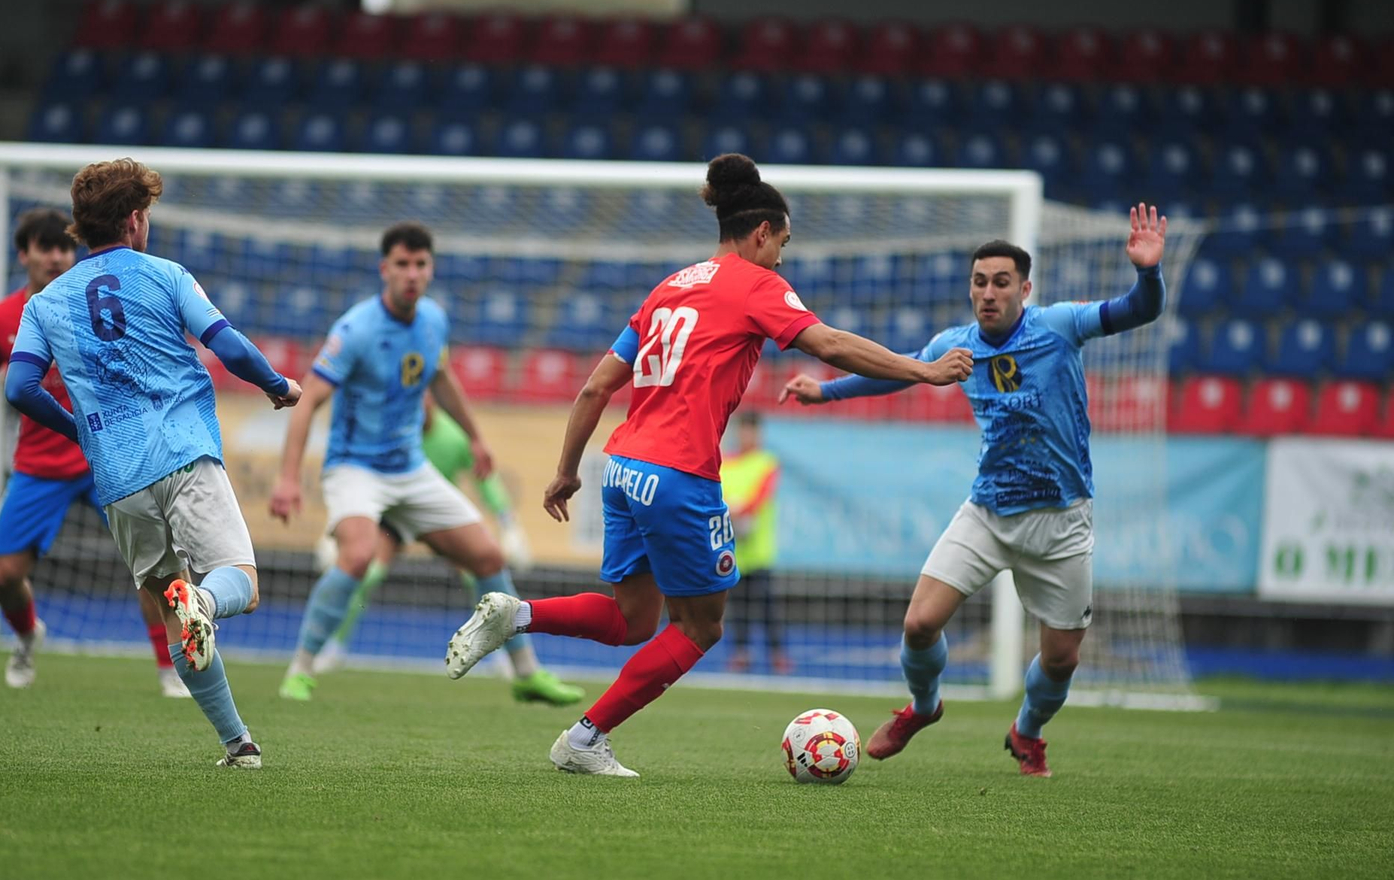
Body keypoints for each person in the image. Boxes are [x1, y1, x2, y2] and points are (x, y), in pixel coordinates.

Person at [443, 153, 973, 777]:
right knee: (701, 626)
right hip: (678, 475)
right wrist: (925, 371)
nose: (782, 257)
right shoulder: (758, 284)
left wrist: (567, 470)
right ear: (760, 233)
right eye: (782, 243)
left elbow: (594, 389)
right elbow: (827, 343)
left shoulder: (669, 286)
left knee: (632, 618)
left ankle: (516, 613)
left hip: (621, 467)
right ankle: (586, 738)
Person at [779, 204, 1169, 777]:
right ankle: (924, 706)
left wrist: (1148, 273)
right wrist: (826, 392)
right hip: (987, 512)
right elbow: (897, 370)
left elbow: (1139, 310)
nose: (989, 293)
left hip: (1061, 521)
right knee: (918, 625)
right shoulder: (956, 343)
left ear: (1025, 288)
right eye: (980, 282)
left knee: (1060, 659)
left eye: (1002, 283)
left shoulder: (1059, 325)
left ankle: (1027, 731)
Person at [5, 158, 301, 768]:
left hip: (117, 478)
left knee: (171, 607)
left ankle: (237, 743)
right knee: (237, 585)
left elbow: (20, 387)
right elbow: (227, 345)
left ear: (82, 229)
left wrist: (81, 432)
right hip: (183, 452)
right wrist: (277, 386)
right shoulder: (165, 275)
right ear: (136, 219)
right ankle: (206, 607)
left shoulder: (45, 302)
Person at [269, 222, 581, 707]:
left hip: (410, 469)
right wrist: (288, 478)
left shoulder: (433, 319)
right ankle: (302, 669)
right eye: (402, 265)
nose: (411, 274)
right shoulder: (356, 329)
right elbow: (307, 401)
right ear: (384, 270)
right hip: (356, 469)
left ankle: (525, 673)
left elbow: (441, 378)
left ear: (430, 269)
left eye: (420, 265)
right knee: (356, 557)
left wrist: (476, 438)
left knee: (489, 558)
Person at [0, 208, 187, 697]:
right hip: (41, 463)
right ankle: (27, 635)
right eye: (45, 248)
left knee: (156, 565)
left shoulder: (101, 306)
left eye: (64, 247)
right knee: (4, 574)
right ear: (24, 254)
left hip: (109, 457)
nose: (56, 257)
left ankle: (169, 665)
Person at [307, 388, 532, 678]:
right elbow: (357, 479)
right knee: (368, 573)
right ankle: (333, 648)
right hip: (392, 516)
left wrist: (508, 523)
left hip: (436, 517)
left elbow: (485, 480)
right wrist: (333, 531)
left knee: (482, 576)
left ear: (431, 401)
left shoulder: (454, 436)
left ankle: (506, 656)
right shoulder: (393, 434)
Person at [719, 410, 789, 674]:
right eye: (743, 430)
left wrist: (739, 510)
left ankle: (777, 653)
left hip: (758, 550)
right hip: (731, 550)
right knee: (737, 607)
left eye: (752, 431)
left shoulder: (766, 463)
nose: (747, 436)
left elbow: (762, 496)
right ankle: (741, 653)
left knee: (766, 605)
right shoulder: (725, 463)